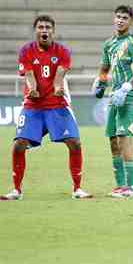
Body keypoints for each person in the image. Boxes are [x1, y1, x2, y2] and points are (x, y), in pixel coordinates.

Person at [2, 15, 92, 200]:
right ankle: (16, 190)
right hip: (33, 106)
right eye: (41, 27)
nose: (44, 30)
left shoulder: (62, 51)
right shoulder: (26, 50)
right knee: (19, 145)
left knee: (74, 142)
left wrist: (58, 88)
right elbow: (28, 74)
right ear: (36, 30)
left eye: (48, 27)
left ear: (53, 30)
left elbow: (59, 74)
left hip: (57, 106)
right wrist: (33, 89)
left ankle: (77, 188)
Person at [93, 5, 133, 198]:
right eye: (118, 17)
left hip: (130, 98)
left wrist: (126, 88)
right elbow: (105, 69)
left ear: (131, 21)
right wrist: (100, 83)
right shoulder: (109, 44)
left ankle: (132, 187)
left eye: (125, 17)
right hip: (114, 98)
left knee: (124, 139)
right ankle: (121, 185)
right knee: (113, 141)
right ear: (114, 19)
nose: (121, 20)